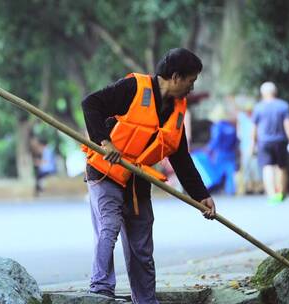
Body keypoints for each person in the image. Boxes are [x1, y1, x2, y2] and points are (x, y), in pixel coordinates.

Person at [81, 48, 216, 303]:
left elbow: (181, 157)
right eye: (191, 80)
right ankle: (100, 291)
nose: (192, 87)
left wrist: (202, 196)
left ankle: (145, 299)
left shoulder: (177, 111)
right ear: (176, 77)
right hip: (105, 172)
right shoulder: (134, 87)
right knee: (108, 227)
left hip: (137, 179)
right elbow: (91, 103)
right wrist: (104, 141)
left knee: (141, 246)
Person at [251, 82, 289, 204]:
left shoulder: (258, 107)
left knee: (267, 168)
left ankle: (271, 195)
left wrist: (253, 144)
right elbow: (288, 125)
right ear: (275, 92)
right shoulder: (283, 106)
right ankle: (281, 193)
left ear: (263, 93)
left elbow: (254, 128)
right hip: (280, 141)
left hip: (264, 142)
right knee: (281, 167)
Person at [204, 105, 239, 195]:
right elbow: (236, 140)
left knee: (217, 171)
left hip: (220, 153)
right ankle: (230, 190)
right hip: (231, 153)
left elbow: (215, 140)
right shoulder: (231, 127)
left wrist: (209, 148)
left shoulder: (217, 126)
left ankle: (214, 189)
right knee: (230, 172)